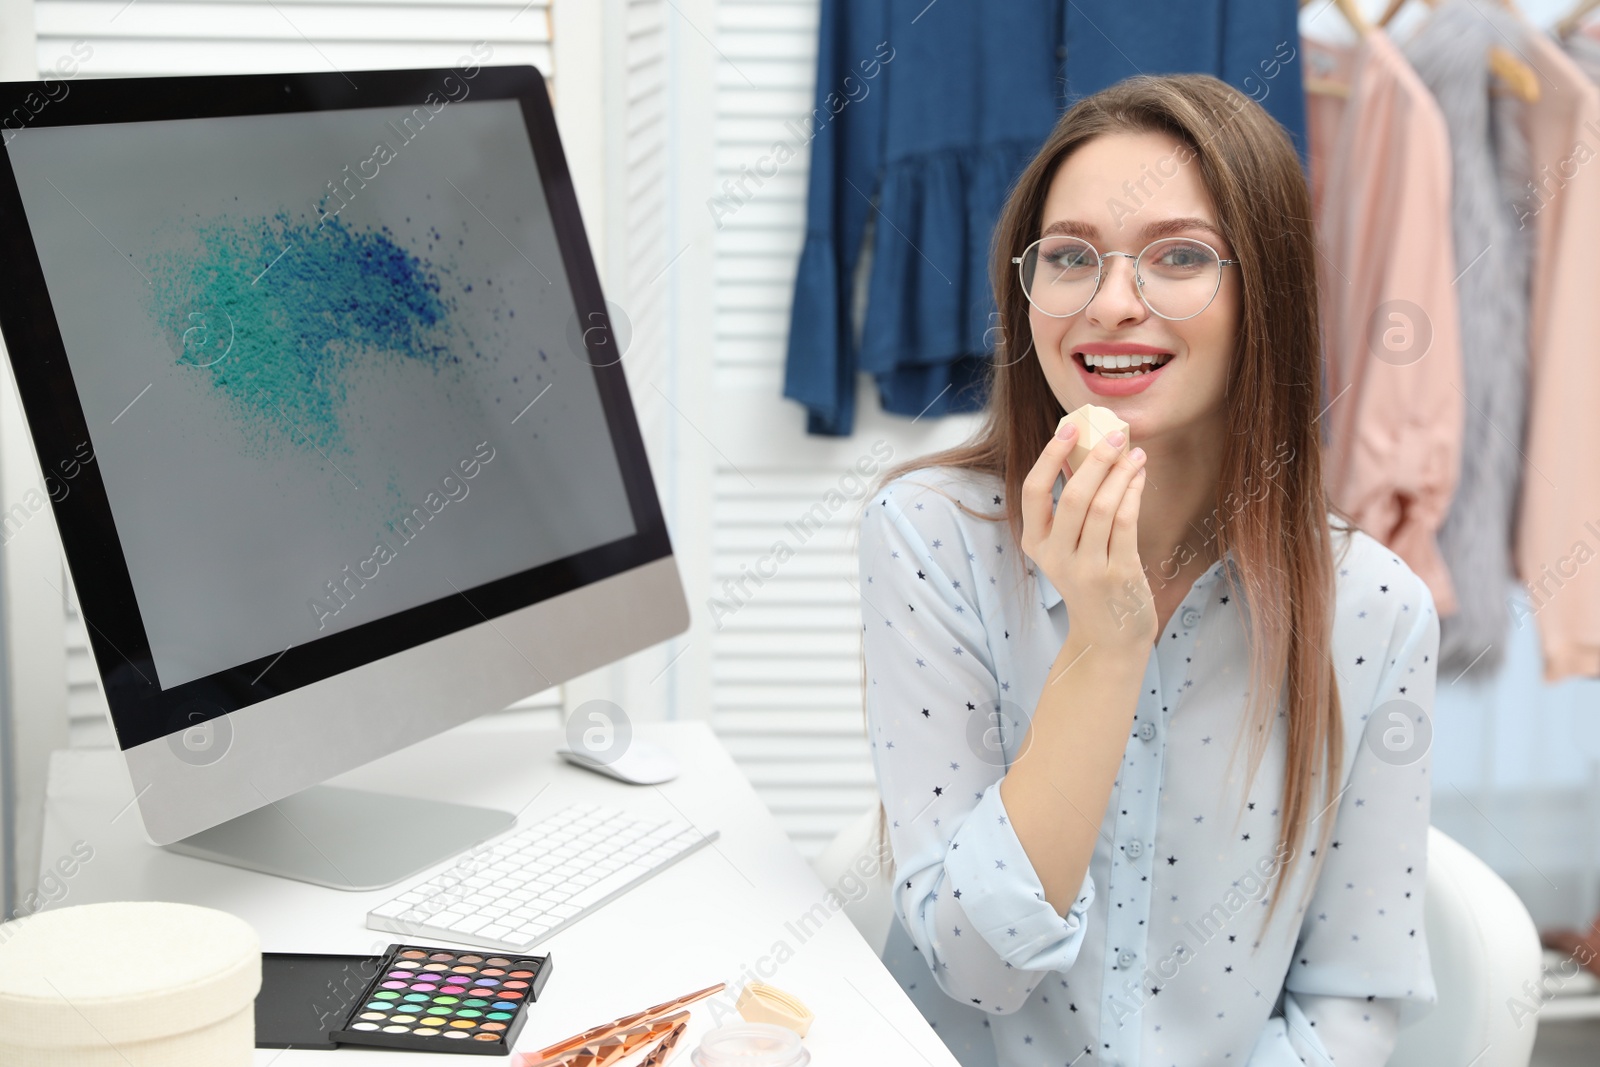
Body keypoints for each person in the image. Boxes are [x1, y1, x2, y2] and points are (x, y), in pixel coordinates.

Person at [857, 73, 1438, 1067]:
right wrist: (1104, 643)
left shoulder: (1377, 610)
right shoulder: (928, 535)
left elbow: (1352, 1000)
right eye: (1071, 256)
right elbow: (977, 966)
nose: (1110, 302)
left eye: (1178, 256)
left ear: (1270, 293)